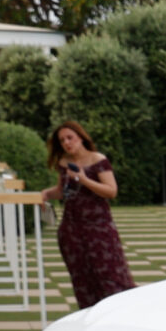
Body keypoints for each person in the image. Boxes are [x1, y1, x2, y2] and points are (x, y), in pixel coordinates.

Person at [47, 121, 135, 310]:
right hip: (71, 231)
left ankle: (120, 319)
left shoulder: (98, 160)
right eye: (62, 140)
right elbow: (63, 191)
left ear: (81, 137)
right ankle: (89, 325)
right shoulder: (64, 163)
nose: (67, 143)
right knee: (82, 281)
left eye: (70, 138)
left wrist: (84, 179)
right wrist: (45, 194)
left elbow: (111, 191)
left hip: (99, 229)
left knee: (112, 279)